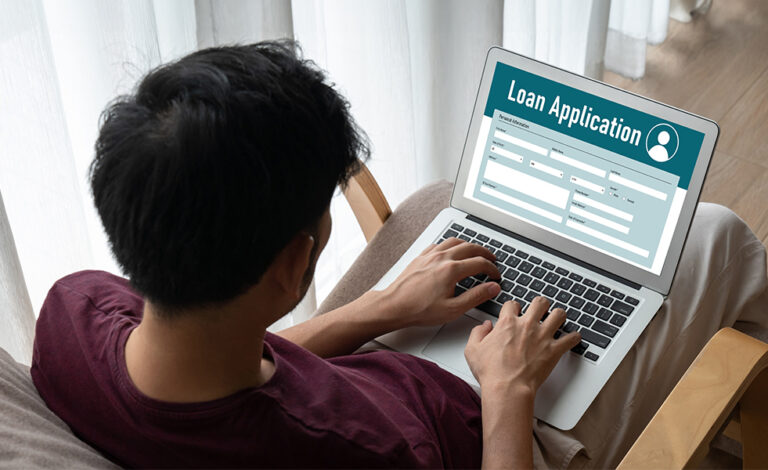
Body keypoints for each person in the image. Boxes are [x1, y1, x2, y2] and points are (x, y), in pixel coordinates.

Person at [30, 41, 768, 469]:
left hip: (379, 365)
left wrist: (377, 308)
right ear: (292, 265)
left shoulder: (73, 313)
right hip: (501, 433)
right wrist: (508, 390)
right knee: (717, 235)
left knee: (449, 207)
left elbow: (225, 367)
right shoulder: (337, 449)